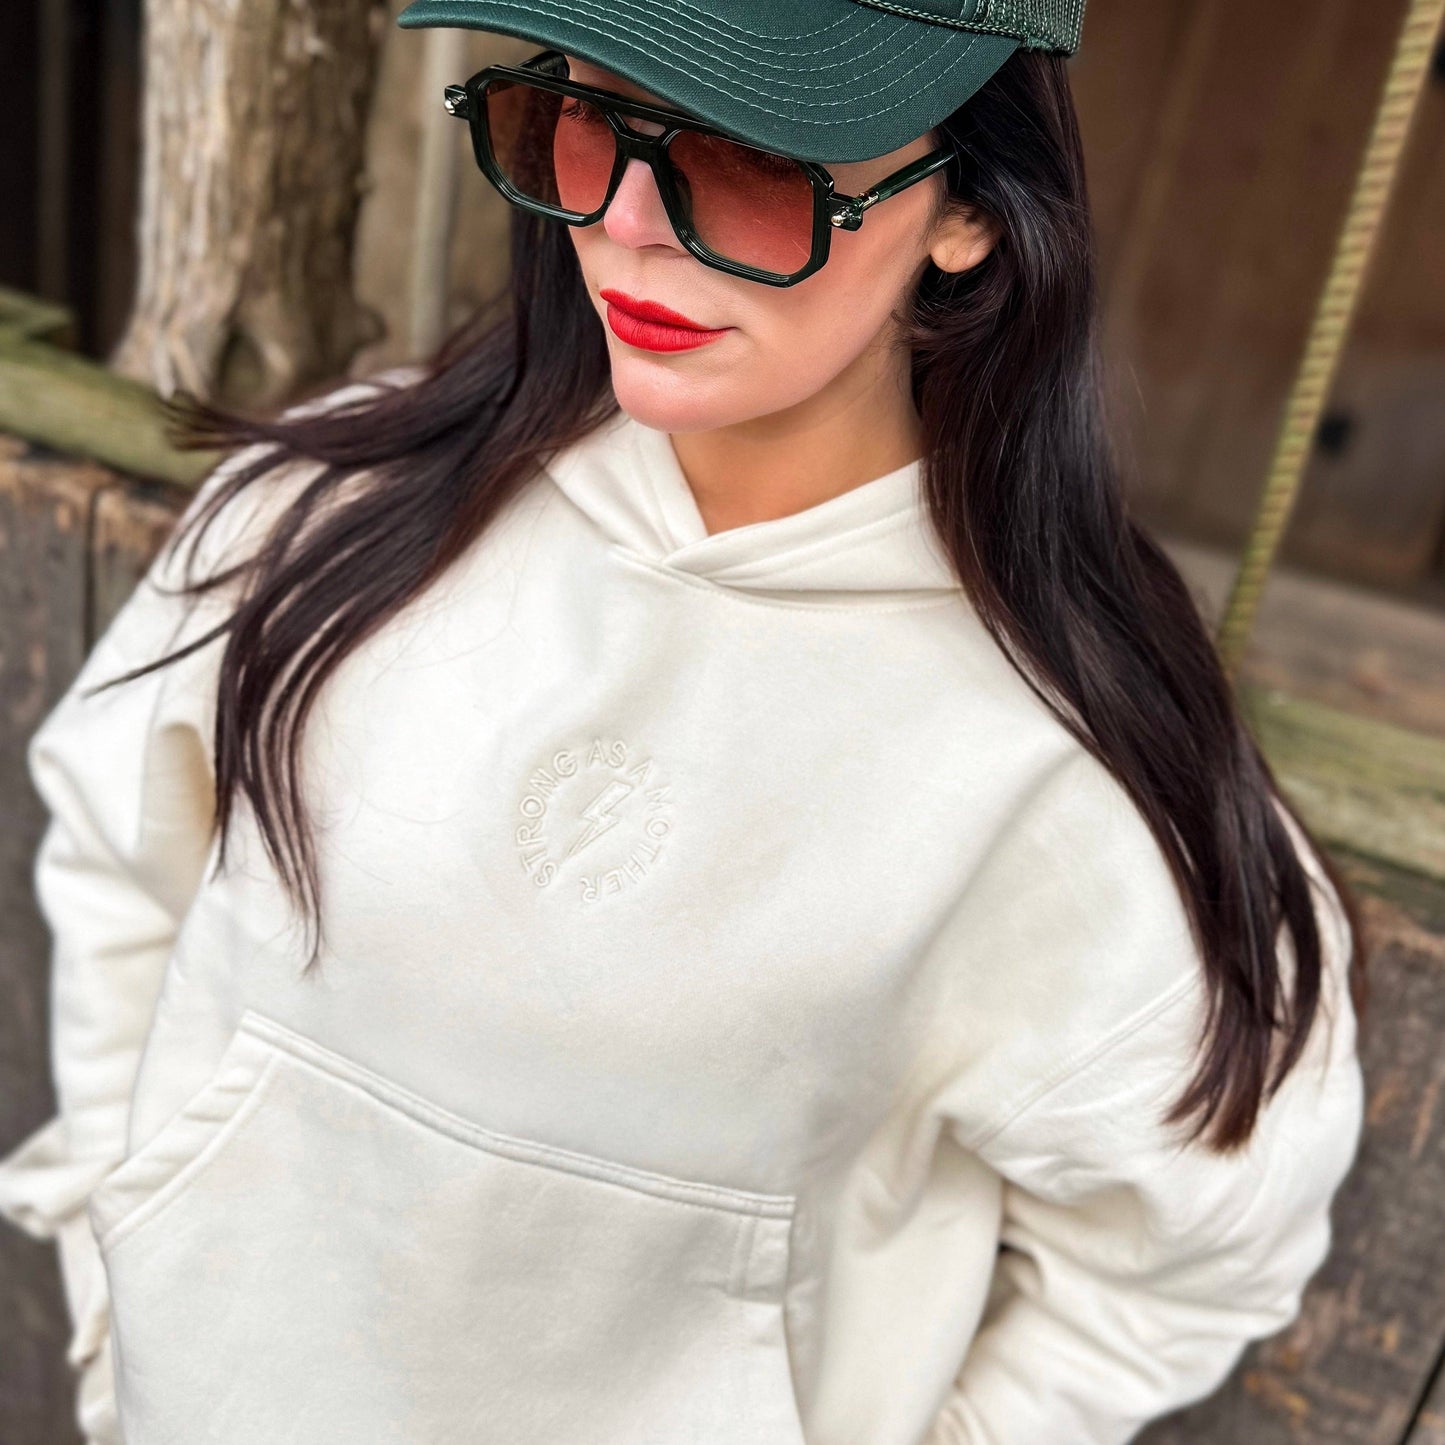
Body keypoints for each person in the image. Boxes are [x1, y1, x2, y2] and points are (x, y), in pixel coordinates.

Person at [0, 2, 1370, 1443]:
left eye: (748, 159)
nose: (629, 224)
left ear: (967, 208)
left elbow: (1190, 1254)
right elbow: (118, 863)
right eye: (580, 124)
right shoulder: (335, 512)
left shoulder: (1057, 779)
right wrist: (123, 1304)